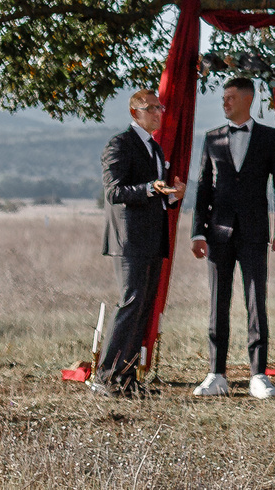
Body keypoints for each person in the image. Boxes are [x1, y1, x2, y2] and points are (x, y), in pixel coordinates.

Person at [187, 76, 275, 399]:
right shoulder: (212, 137)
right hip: (217, 233)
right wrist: (197, 232)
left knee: (256, 301)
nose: (225, 103)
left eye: (230, 97)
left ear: (247, 99)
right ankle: (216, 374)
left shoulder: (270, 138)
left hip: (256, 233)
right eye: (223, 98)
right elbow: (203, 187)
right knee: (218, 303)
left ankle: (259, 375)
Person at [91, 88, 182, 395]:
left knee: (143, 308)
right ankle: (105, 377)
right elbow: (114, 192)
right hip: (129, 240)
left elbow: (156, 195)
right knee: (130, 304)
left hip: (153, 240)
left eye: (160, 107)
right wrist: (149, 188)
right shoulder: (120, 144)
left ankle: (127, 379)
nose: (158, 113)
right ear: (135, 113)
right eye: (151, 108)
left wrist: (172, 196)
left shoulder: (155, 149)